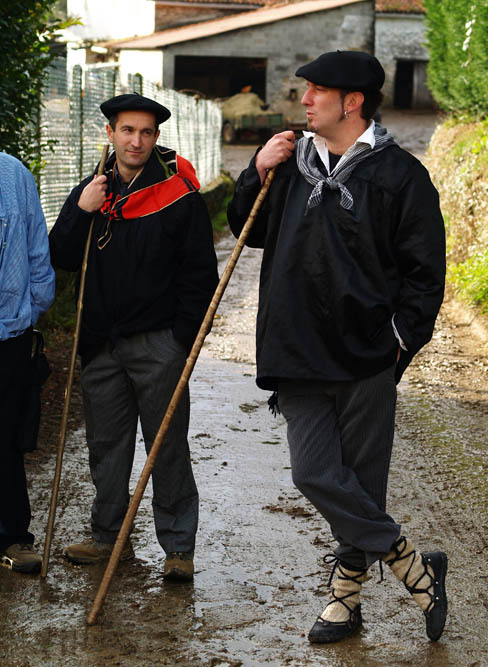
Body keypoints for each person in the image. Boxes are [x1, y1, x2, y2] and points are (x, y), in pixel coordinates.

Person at [227, 51, 447, 643]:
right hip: (296, 350)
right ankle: (412, 565)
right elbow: (246, 230)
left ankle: (344, 602)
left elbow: (425, 273)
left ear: (352, 102)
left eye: (317, 91)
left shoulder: (400, 175)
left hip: (367, 356)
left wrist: (399, 341)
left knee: (363, 485)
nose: (304, 100)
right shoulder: (288, 165)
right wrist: (256, 169)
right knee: (314, 473)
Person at [49, 93, 219, 581]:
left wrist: (180, 341)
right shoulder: (93, 190)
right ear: (110, 133)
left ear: (156, 137)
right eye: (127, 130)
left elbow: (199, 276)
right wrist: (81, 210)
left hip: (158, 345)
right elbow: (60, 256)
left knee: (166, 447)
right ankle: (108, 539)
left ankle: (178, 548)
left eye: (146, 132)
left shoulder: (179, 194)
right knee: (106, 446)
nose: (136, 141)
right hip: (100, 345)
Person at [0, 152, 55, 573]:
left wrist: (30, 309)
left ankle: (12, 535)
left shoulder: (13, 174)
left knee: (5, 435)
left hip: (9, 332)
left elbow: (38, 247)